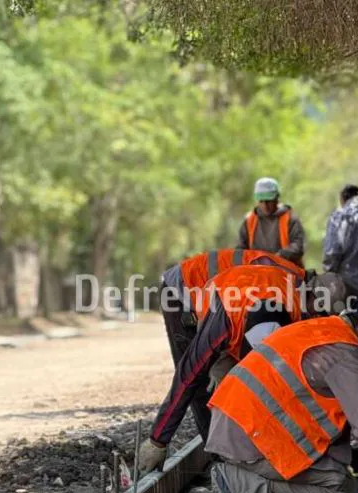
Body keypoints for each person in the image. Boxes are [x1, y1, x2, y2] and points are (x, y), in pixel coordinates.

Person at [139, 265, 347, 475]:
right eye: (319, 313)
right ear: (312, 296)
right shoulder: (227, 317)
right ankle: (220, 458)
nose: (315, 320)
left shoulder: (293, 299)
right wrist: (158, 440)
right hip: (198, 294)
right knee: (202, 381)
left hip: (246, 308)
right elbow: (187, 375)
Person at [205, 300, 358, 493]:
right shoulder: (346, 354)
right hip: (248, 438)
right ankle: (239, 489)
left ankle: (243, 477)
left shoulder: (319, 330)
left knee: (337, 473)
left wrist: (352, 455)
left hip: (233, 425)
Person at [159, 249, 305, 367]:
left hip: (199, 286)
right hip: (179, 287)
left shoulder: (287, 281)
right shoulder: (285, 280)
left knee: (207, 366)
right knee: (195, 368)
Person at [237, 177, 305, 266]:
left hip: (286, 270)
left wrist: (278, 257)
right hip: (256, 270)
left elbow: (298, 247)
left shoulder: (290, 219)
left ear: (277, 199)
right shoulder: (249, 220)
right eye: (261, 201)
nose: (265, 205)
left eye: (269, 201)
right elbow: (241, 248)